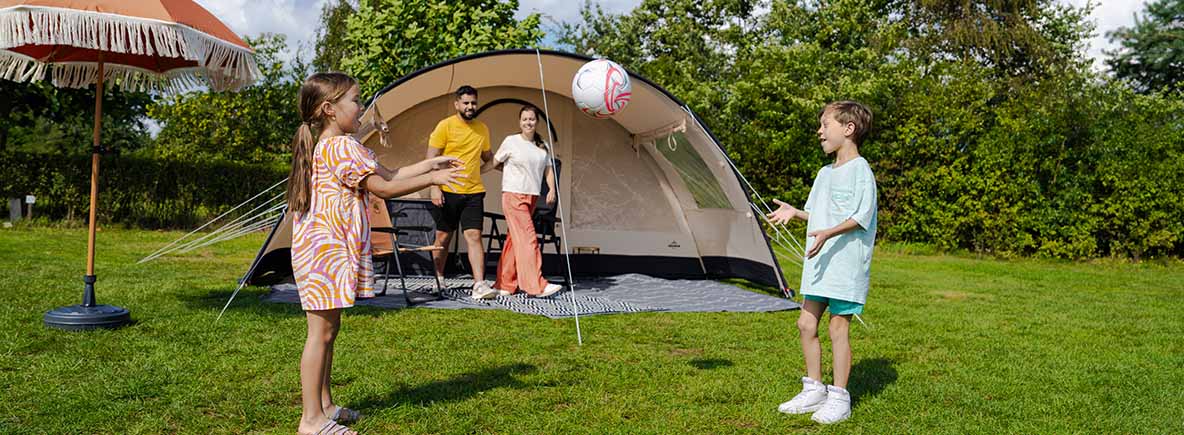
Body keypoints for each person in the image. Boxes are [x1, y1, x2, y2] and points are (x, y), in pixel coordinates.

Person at [287, 72, 463, 435]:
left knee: (328, 330)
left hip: (323, 252)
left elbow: (389, 171)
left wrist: (431, 164)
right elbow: (384, 188)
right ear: (329, 109)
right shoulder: (340, 147)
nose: (362, 106)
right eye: (355, 100)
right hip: (324, 253)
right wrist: (432, 181)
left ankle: (326, 406)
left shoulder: (339, 145)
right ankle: (310, 420)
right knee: (319, 334)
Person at [768, 100, 878, 425]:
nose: (819, 131)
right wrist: (795, 212)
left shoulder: (861, 171)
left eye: (825, 124)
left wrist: (829, 233)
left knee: (837, 327)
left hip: (845, 266)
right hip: (819, 263)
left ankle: (840, 396)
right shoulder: (823, 173)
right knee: (805, 324)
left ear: (848, 129)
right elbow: (816, 213)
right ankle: (814, 388)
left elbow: (862, 216)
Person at [426, 85, 499, 300]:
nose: (470, 106)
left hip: (474, 192)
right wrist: (434, 187)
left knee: (474, 236)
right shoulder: (445, 126)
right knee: (443, 237)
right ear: (457, 104)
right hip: (448, 190)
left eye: (473, 103)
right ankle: (438, 278)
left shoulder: (482, 128)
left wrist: (509, 162)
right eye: (466, 103)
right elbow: (431, 159)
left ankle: (479, 284)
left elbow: (488, 157)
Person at [485, 105, 564, 298]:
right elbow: (494, 162)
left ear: (536, 122)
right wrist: (473, 171)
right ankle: (536, 285)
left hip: (532, 197)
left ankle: (505, 284)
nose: (528, 122)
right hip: (513, 195)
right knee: (529, 238)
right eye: (525, 119)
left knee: (514, 241)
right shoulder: (511, 141)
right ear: (519, 122)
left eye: (532, 119)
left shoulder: (542, 144)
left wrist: (552, 188)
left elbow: (548, 170)